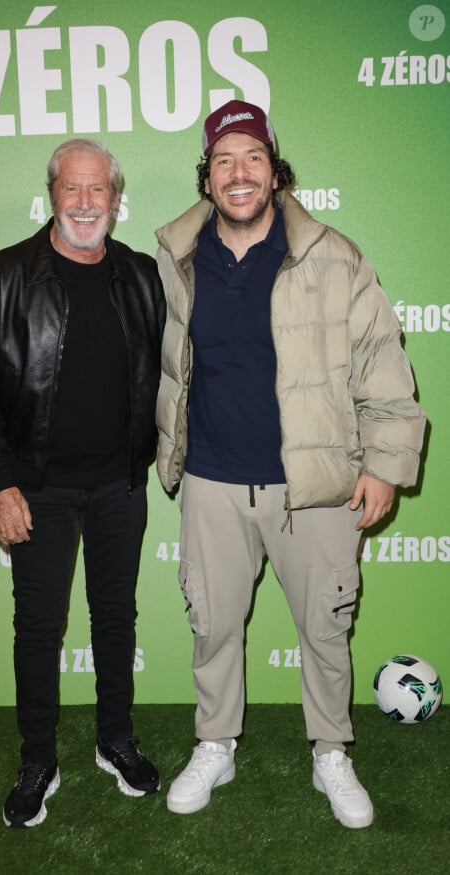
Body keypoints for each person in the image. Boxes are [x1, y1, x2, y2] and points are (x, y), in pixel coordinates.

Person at [154, 100, 425, 828]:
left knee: (326, 628)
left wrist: (386, 465)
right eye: (222, 161)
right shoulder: (175, 256)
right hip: (210, 478)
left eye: (252, 158)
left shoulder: (333, 255)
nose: (238, 173)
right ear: (206, 179)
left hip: (316, 486)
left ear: (275, 171)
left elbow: (383, 363)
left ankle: (330, 749)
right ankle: (217, 742)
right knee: (211, 624)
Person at [0, 138, 165, 827]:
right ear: (52, 193)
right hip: (35, 488)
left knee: (116, 617)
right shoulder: (1, 275)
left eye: (96, 189)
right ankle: (37, 758)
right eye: (71, 188)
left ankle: (115, 738)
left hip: (118, 485)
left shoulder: (140, 274)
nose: (83, 202)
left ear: (114, 197)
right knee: (39, 627)